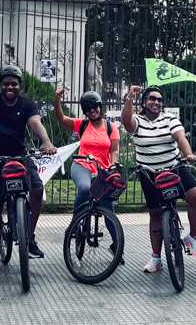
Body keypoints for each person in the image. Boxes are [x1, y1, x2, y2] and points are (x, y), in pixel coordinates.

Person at [0, 66, 56, 274]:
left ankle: (29, 237)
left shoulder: (27, 104)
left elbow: (35, 123)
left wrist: (46, 141)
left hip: (19, 155)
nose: (10, 87)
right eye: (6, 83)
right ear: (1, 85)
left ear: (19, 86)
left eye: (14, 83)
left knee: (36, 189)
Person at [121, 85, 196, 273]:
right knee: (156, 214)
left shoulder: (170, 119)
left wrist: (189, 154)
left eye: (159, 100)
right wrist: (129, 97)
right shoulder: (138, 121)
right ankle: (156, 258)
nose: (156, 102)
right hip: (148, 173)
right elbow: (126, 122)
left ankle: (192, 238)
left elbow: (180, 137)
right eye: (152, 98)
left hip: (174, 167)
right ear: (144, 102)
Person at [54, 89, 122, 262]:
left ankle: (116, 246)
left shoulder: (110, 127)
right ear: (85, 111)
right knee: (84, 189)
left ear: (100, 107)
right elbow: (61, 119)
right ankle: (75, 225)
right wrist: (57, 99)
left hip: (103, 170)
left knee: (109, 210)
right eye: (88, 108)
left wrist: (113, 164)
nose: (92, 110)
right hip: (82, 165)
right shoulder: (82, 125)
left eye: (95, 107)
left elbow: (114, 150)